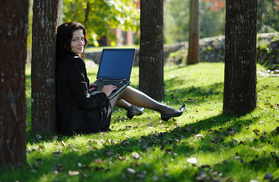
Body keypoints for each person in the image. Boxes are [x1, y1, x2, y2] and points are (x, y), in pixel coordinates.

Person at [55, 22, 186, 136]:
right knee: (120, 89)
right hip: (84, 124)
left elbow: (71, 90)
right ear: (66, 42)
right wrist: (103, 94)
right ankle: (164, 110)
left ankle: (133, 108)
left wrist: (86, 89)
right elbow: (85, 102)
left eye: (82, 38)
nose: (81, 43)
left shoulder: (61, 60)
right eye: (75, 40)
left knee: (113, 89)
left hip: (68, 123)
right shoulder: (75, 62)